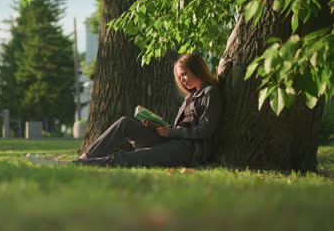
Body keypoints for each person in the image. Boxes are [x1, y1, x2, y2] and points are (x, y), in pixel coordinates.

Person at [26, 53, 223, 168]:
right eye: (179, 77)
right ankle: (84, 158)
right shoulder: (189, 97)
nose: (182, 80)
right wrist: (160, 127)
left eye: (184, 75)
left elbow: (205, 130)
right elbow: (181, 128)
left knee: (126, 157)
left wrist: (171, 131)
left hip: (188, 152)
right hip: (173, 140)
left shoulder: (209, 94)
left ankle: (71, 165)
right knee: (125, 123)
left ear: (197, 69)